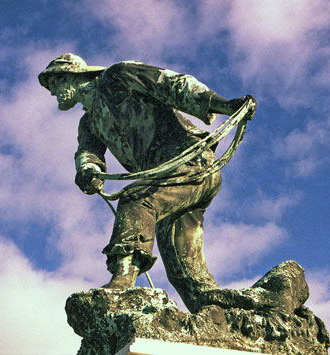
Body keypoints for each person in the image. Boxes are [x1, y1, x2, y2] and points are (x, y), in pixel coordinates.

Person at [39, 53, 253, 312]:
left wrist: (223, 105)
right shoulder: (89, 123)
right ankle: (237, 313)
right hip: (161, 180)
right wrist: (88, 170)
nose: (53, 93)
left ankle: (122, 281)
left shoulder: (117, 77)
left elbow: (172, 85)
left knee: (137, 199)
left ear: (70, 76)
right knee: (185, 276)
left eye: (55, 84)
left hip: (191, 162)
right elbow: (88, 151)